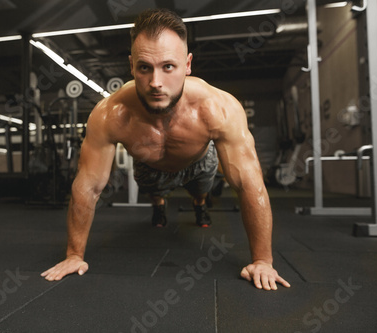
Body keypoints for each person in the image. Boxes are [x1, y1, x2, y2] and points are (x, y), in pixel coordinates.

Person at [42, 8, 291, 291]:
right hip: (149, 165)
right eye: (144, 68)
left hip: (198, 160)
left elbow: (249, 185)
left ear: (187, 64)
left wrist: (263, 260)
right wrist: (74, 254)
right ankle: (158, 204)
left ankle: (199, 204)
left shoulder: (218, 108)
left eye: (168, 67)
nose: (156, 83)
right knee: (155, 192)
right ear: (131, 65)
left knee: (201, 191)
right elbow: (88, 186)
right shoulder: (110, 113)